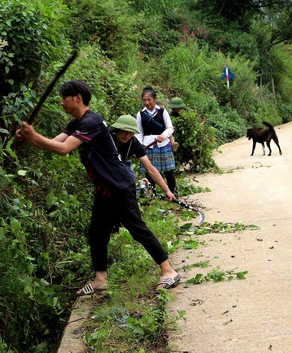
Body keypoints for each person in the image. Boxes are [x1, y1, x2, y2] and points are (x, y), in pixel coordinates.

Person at [15, 80, 181, 295]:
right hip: (105, 189)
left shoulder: (91, 121)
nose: (62, 103)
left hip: (119, 185)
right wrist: (29, 139)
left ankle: (168, 271)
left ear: (77, 98)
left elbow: (64, 149)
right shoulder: (76, 123)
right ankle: (100, 279)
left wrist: (33, 136)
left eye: (64, 98)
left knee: (137, 229)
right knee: (97, 233)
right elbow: (53, 143)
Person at [110, 114, 175, 200]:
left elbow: (150, 169)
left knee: (130, 181)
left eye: (130, 132)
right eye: (124, 131)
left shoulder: (134, 143)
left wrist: (167, 191)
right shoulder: (107, 137)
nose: (127, 135)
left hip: (122, 162)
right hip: (105, 162)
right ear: (117, 130)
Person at [137, 87, 178, 195]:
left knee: (168, 171)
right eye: (144, 100)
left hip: (163, 144)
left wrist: (163, 136)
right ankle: (152, 194)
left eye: (149, 100)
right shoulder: (140, 114)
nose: (147, 103)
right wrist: (140, 145)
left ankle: (173, 193)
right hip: (148, 145)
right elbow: (139, 132)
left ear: (155, 99)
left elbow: (170, 128)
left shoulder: (162, 111)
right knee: (149, 171)